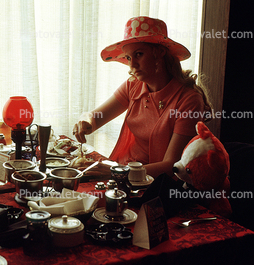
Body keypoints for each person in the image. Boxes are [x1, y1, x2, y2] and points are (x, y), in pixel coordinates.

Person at [73, 16, 212, 178]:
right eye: (129, 57)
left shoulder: (188, 100)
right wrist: (86, 120)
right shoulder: (133, 85)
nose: (132, 65)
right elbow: (95, 117)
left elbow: (171, 166)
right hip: (122, 172)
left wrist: (116, 172)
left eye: (139, 54)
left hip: (155, 185)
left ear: (160, 53)